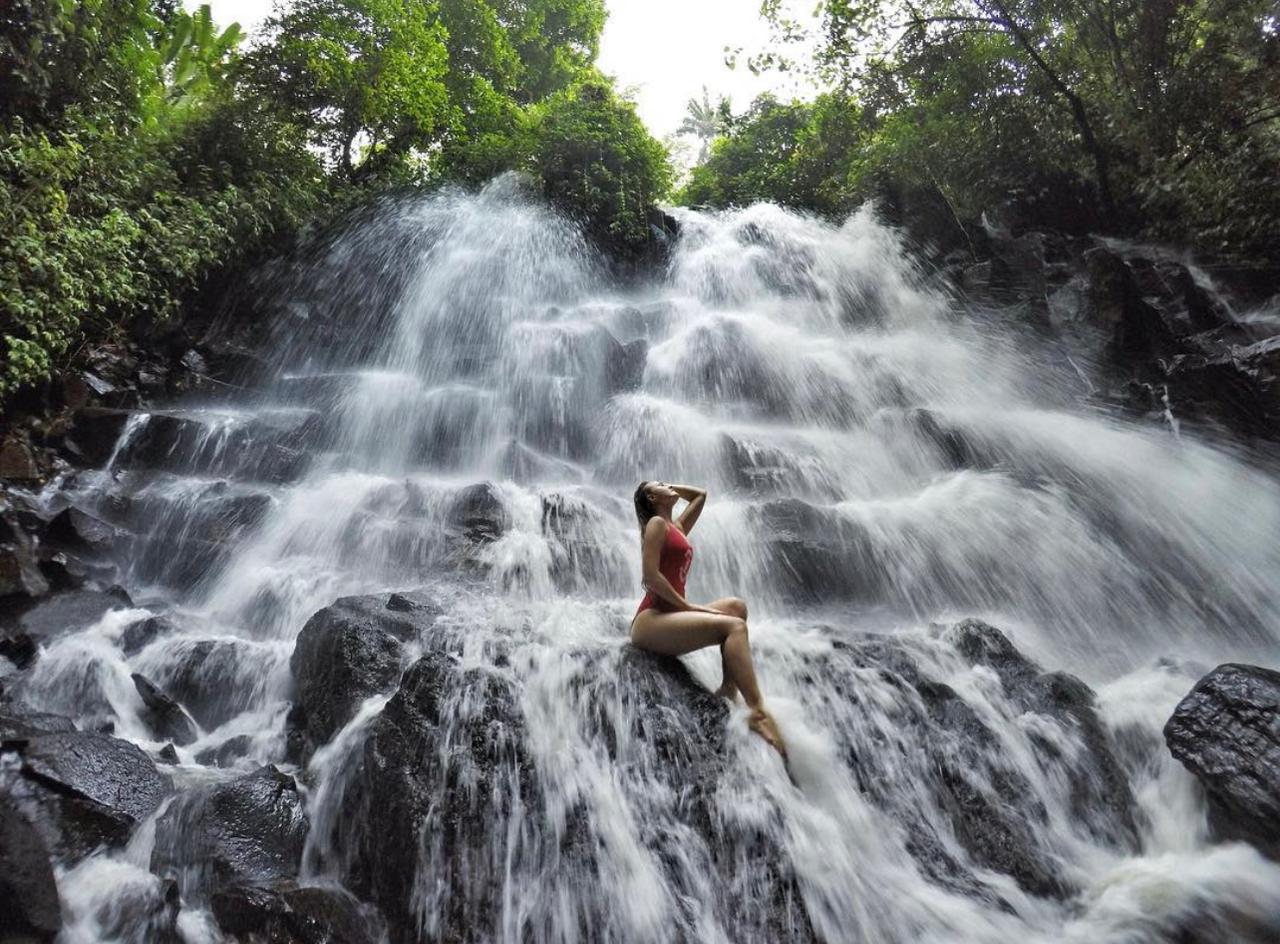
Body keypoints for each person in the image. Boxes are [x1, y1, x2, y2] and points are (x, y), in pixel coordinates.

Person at [628, 479, 787, 757]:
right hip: (650, 620)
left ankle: (728, 688)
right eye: (661, 484)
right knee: (734, 627)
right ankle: (757, 713)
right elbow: (650, 577)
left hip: (670, 613)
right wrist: (687, 606)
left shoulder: (675, 527)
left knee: (736, 608)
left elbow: (700, 496)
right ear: (652, 498)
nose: (669, 486)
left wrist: (669, 488)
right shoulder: (656, 524)